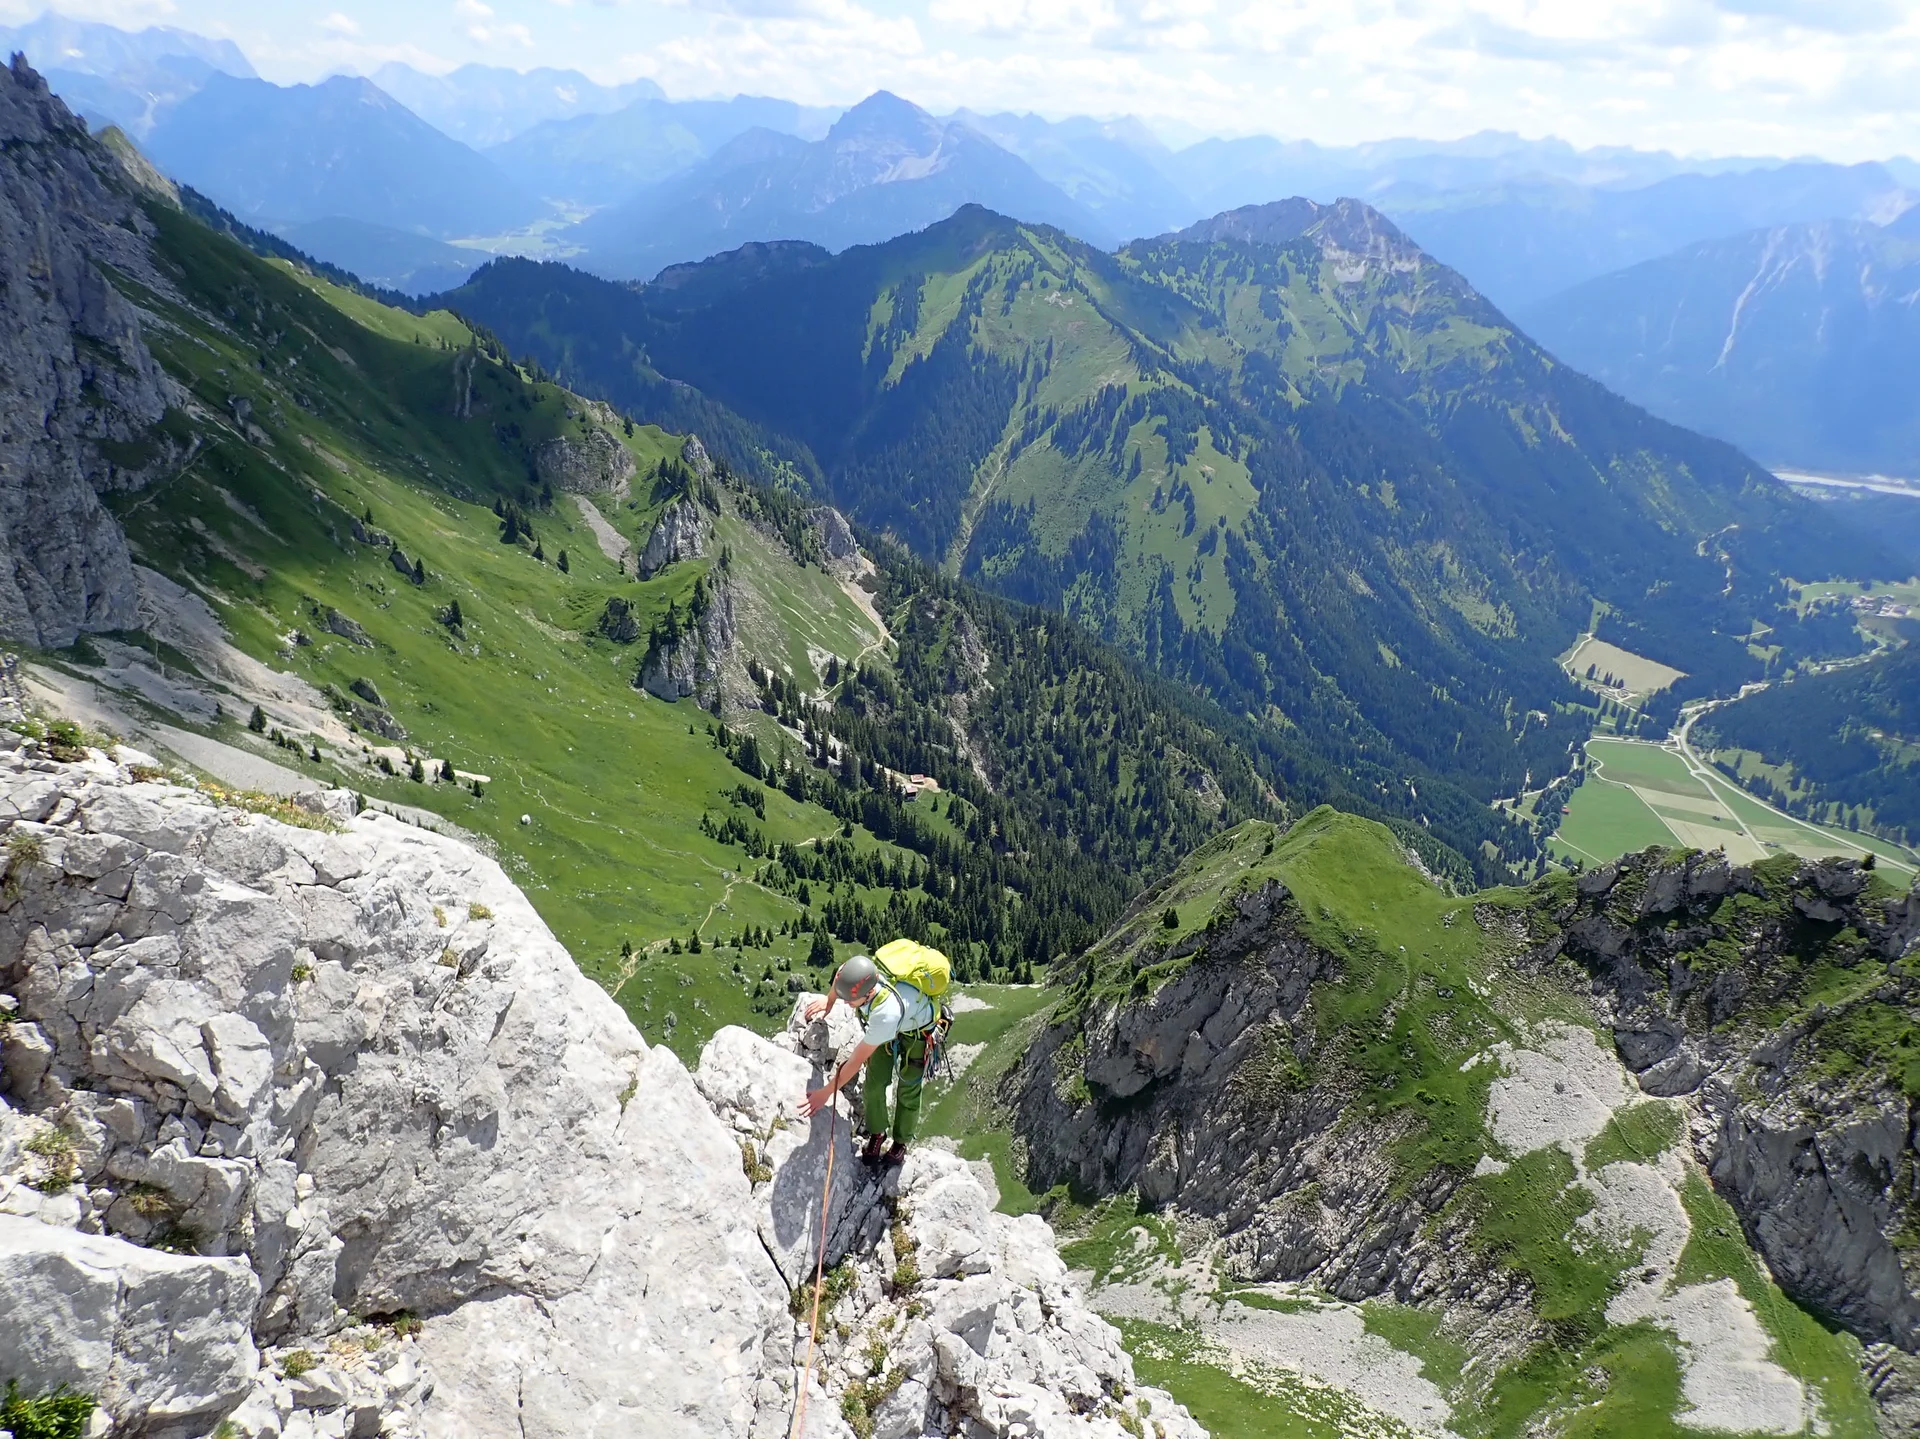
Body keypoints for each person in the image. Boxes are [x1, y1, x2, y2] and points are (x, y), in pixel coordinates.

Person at [799, 946, 950, 1166]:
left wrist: (826, 1093)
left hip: (919, 1031)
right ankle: (877, 1134)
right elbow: (840, 977)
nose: (848, 1004)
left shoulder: (884, 1015)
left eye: (851, 1000)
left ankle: (900, 1143)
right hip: (893, 1026)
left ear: (868, 993)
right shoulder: (856, 975)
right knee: (874, 1083)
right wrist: (829, 1001)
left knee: (908, 1089)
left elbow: (854, 1062)